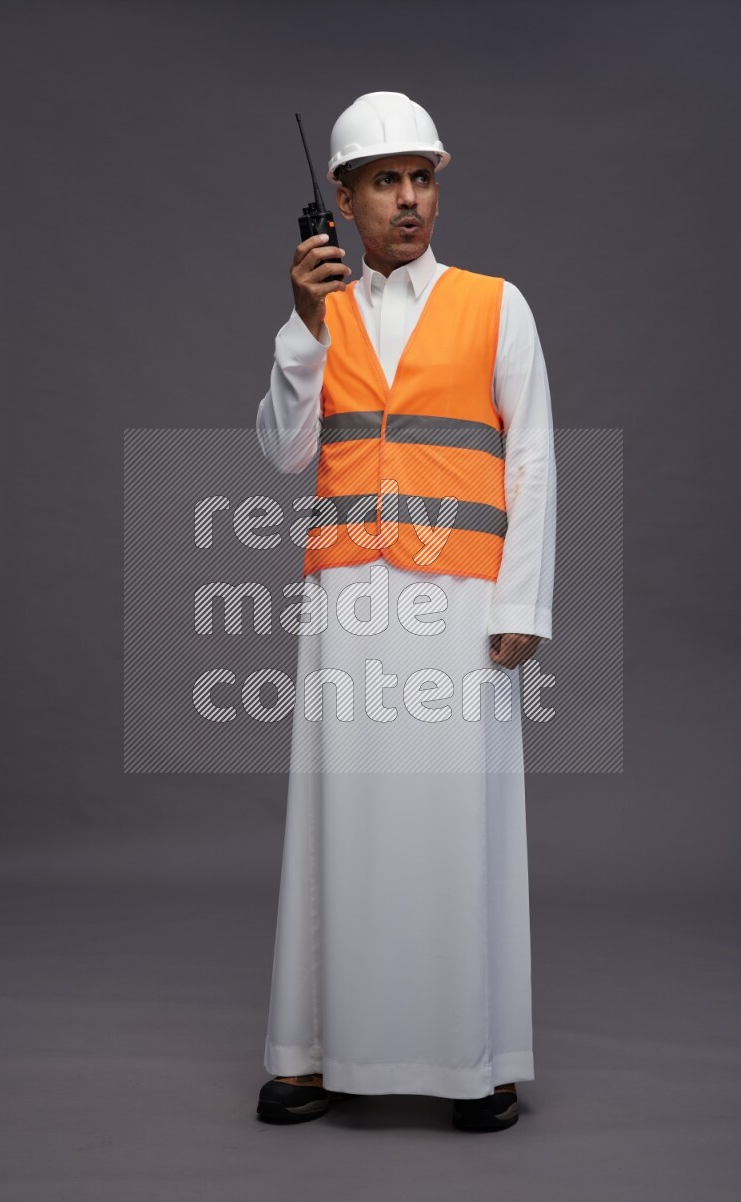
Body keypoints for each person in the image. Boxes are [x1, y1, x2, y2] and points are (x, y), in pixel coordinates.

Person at [254, 91, 556, 1133]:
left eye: (420, 177)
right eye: (384, 180)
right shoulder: (318, 313)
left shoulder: (494, 303)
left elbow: (531, 456)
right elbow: (284, 450)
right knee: (338, 816)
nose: (408, 198)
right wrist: (300, 330)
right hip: (349, 596)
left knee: (458, 816)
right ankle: (309, 1052)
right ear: (339, 200)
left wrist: (524, 599)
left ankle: (478, 1055)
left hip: (462, 600)